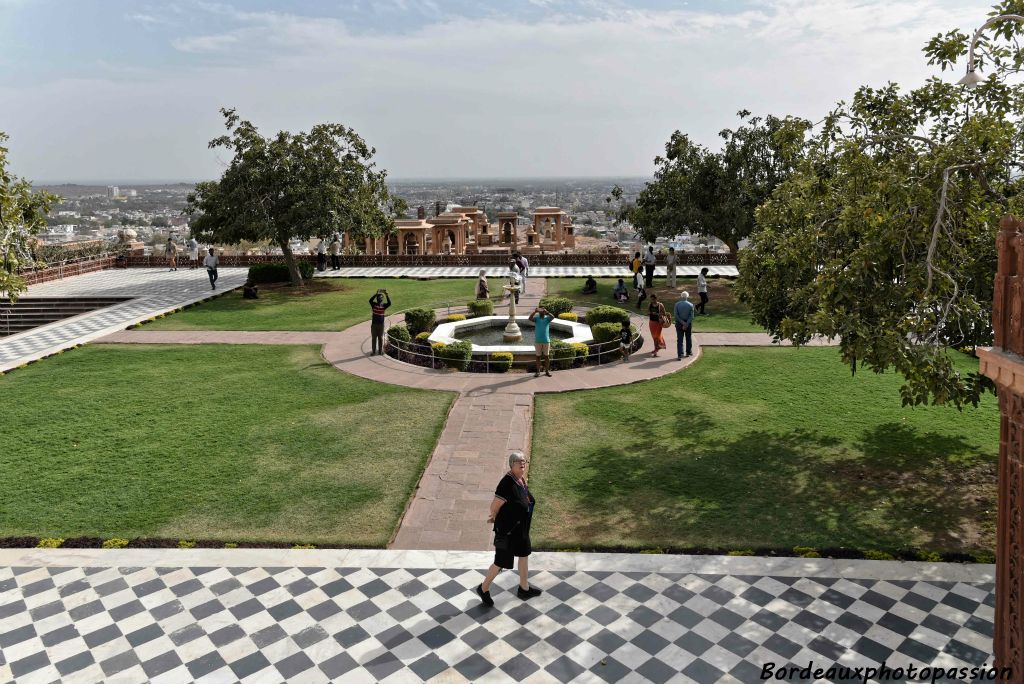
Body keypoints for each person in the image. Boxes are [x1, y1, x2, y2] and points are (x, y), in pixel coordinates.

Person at [476, 452, 542, 607]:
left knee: (524, 555)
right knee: (500, 562)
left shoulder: (520, 480)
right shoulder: (506, 483)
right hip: (508, 531)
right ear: (511, 464)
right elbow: (494, 506)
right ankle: (483, 588)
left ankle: (524, 588)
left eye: (524, 461)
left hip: (521, 529)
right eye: (519, 462)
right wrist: (494, 517)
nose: (523, 464)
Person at [528, 306, 554, 377]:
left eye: (542, 310)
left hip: (546, 341)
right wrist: (534, 312)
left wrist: (547, 312)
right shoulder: (536, 319)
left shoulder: (547, 318)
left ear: (544, 311)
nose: (541, 311)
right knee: (538, 357)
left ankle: (547, 371)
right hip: (538, 341)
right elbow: (529, 318)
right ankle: (538, 372)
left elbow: (553, 317)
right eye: (540, 310)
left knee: (546, 356)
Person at [369, 289, 391, 355]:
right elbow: (370, 300)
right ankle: (373, 351)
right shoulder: (374, 304)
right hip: (374, 325)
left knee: (380, 338)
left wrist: (387, 295)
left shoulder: (384, 306)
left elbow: (389, 303)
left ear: (382, 299)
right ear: (377, 298)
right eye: (378, 297)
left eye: (381, 297)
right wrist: (376, 293)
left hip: (381, 325)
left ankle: (380, 351)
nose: (380, 298)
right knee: (374, 338)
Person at [674, 291, 695, 359]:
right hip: (688, 323)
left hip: (679, 323)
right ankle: (688, 352)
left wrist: (682, 323)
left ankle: (680, 354)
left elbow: (676, 315)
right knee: (688, 338)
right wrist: (686, 324)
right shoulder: (690, 305)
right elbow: (691, 316)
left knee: (679, 339)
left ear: (681, 296)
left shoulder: (677, 304)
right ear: (687, 296)